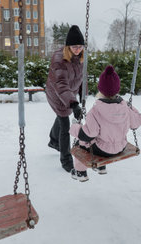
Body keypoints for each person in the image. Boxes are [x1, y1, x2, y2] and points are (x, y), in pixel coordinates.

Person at [69, 65, 141, 182]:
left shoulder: (96, 110)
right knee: (98, 138)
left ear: (101, 89)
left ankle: (80, 172)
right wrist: (130, 107)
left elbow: (88, 134)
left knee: (80, 143)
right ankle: (101, 167)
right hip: (120, 148)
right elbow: (136, 123)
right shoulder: (125, 108)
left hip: (101, 150)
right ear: (117, 89)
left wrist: (74, 127)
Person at [46, 25, 85, 172]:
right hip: (57, 95)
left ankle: (54, 141)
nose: (77, 49)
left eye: (80, 46)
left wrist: (81, 95)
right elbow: (61, 84)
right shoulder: (59, 59)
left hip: (69, 95)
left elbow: (81, 77)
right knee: (65, 126)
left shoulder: (80, 57)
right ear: (68, 46)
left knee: (62, 118)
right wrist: (73, 104)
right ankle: (66, 160)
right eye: (74, 46)